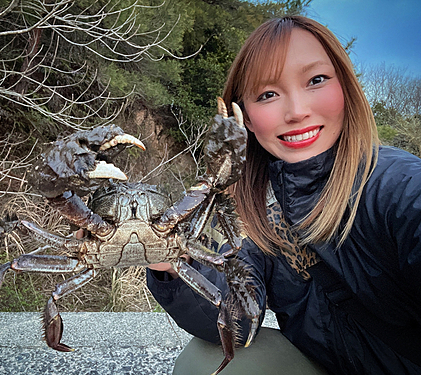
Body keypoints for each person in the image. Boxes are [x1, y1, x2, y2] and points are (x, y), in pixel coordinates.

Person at [147, 15, 421, 375]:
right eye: (268, 95)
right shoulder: (251, 207)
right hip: (326, 365)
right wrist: (167, 256)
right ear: (243, 115)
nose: (296, 112)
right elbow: (236, 319)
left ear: (347, 88)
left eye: (317, 80)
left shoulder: (397, 186)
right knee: (205, 362)